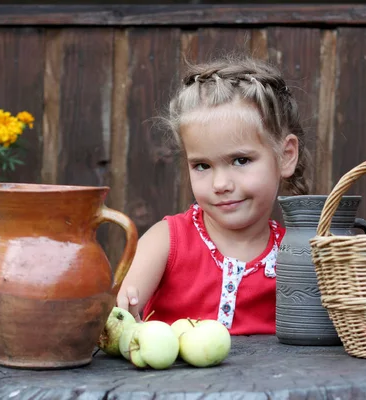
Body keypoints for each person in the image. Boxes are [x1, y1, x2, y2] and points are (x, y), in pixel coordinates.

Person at [116, 55, 311, 335]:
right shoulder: (166, 242)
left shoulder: (296, 257)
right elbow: (120, 321)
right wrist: (126, 314)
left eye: (241, 160)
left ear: (285, 156)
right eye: (202, 166)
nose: (220, 183)